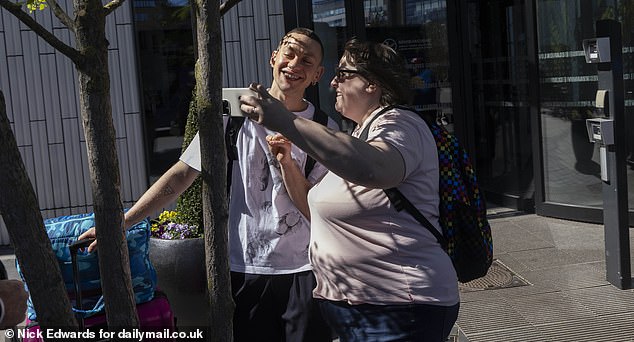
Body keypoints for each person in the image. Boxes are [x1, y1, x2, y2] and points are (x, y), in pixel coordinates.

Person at [79, 27, 336, 342]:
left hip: (304, 269)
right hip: (241, 269)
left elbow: (317, 211)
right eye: (290, 53)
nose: (295, 64)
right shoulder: (232, 114)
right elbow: (181, 175)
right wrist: (123, 222)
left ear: (317, 75)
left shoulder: (325, 129)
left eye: (307, 60)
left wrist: (288, 165)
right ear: (273, 58)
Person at [241, 38, 460, 341]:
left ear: (371, 83)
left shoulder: (400, 124)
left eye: (342, 74)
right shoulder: (361, 133)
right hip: (358, 311)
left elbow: (378, 169)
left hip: (398, 309)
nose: (333, 83)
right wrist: (288, 165)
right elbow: (313, 209)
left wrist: (284, 120)